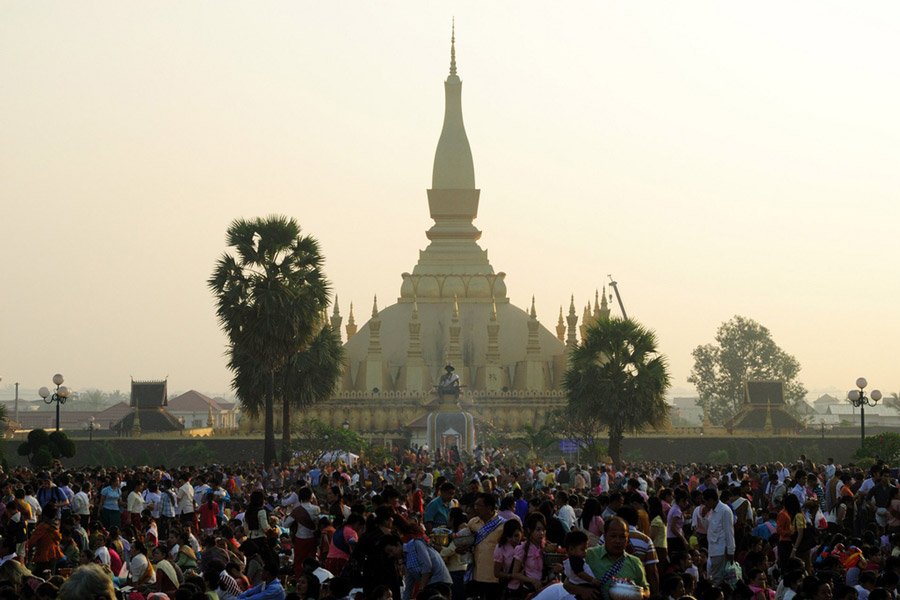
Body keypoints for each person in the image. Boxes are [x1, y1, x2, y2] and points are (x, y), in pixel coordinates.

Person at [564, 517, 650, 600]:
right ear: (604, 536)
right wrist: (583, 591)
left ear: (627, 539)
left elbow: (646, 590)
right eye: (613, 536)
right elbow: (567, 584)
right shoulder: (588, 555)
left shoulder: (634, 562)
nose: (618, 541)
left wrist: (636, 594)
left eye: (622, 537)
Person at [466, 492, 506, 600]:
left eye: (479, 506)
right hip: (475, 575)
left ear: (489, 508)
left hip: (493, 577)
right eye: (475, 505)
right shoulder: (472, 523)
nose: (476, 508)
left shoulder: (503, 525)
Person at [702, 488, 736, 586]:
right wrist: (704, 516)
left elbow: (729, 532)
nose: (705, 505)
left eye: (706, 502)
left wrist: (731, 551)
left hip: (721, 550)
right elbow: (707, 528)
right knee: (717, 578)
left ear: (711, 500)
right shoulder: (712, 511)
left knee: (718, 580)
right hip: (713, 549)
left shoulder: (724, 510)